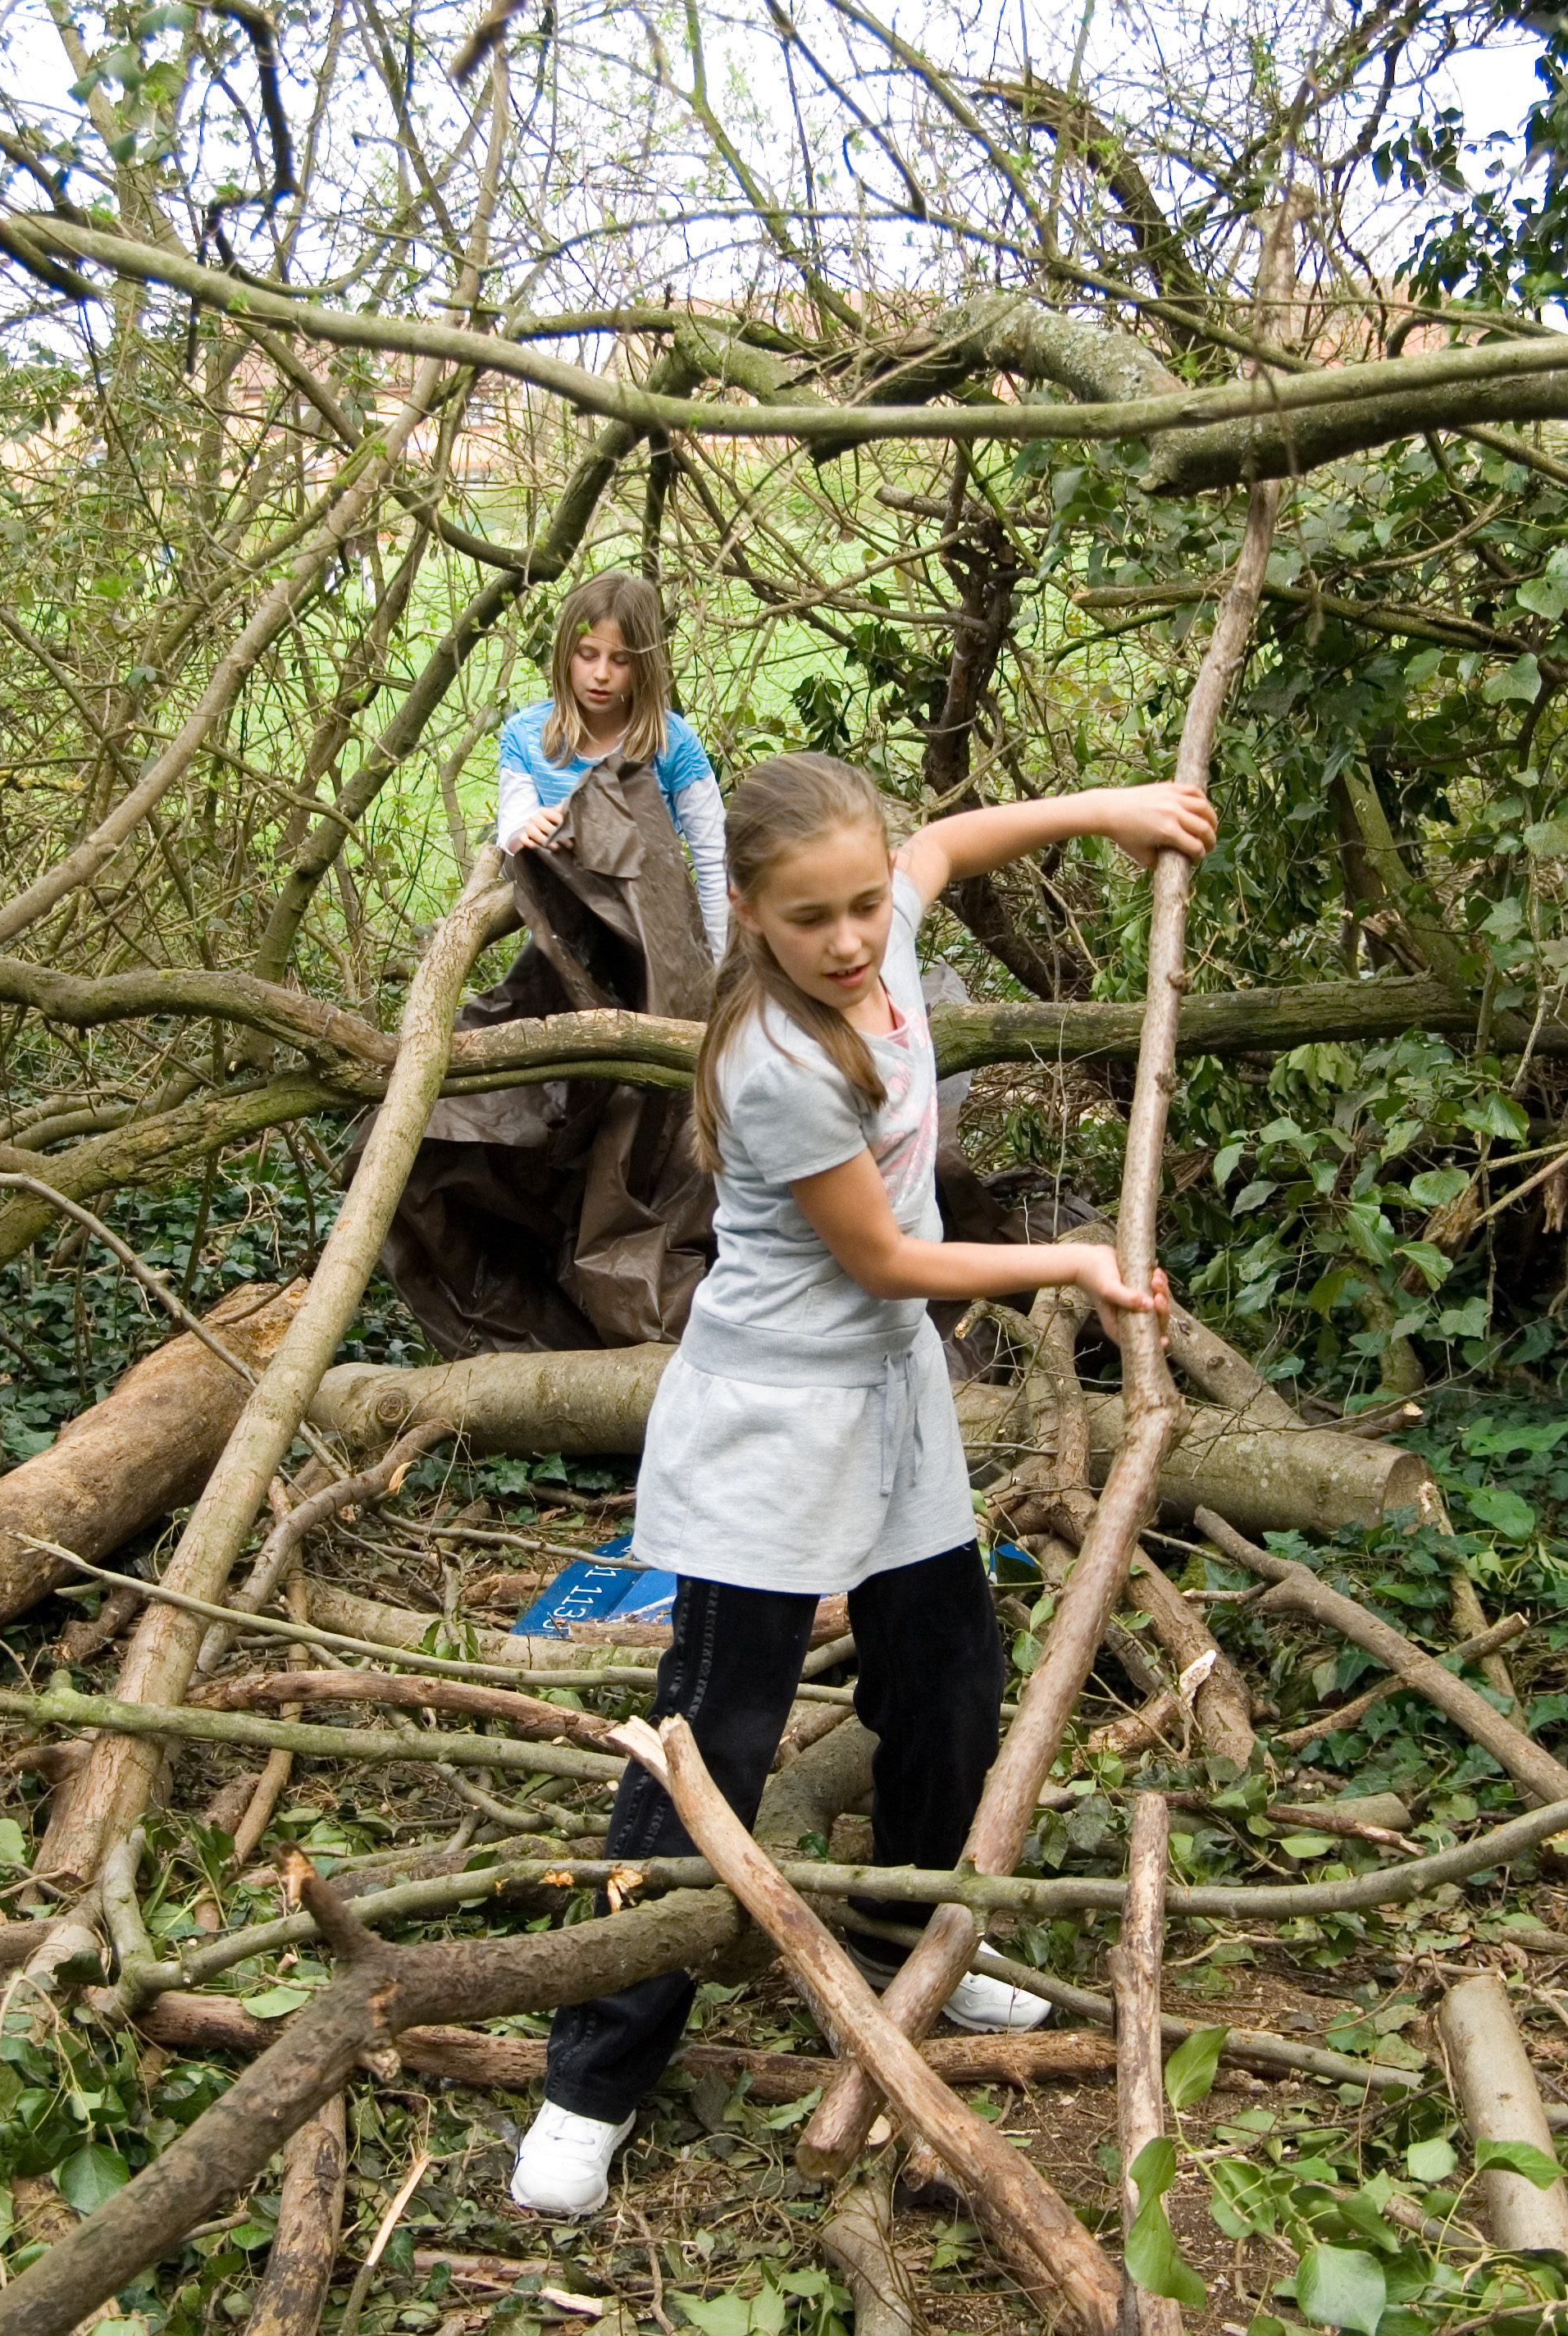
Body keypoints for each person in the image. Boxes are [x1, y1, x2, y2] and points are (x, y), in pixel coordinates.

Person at [506, 750, 1219, 2218]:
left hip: (891, 1394)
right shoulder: (773, 1061)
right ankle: (591, 2072)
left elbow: (950, 844)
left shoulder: (880, 914)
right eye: (808, 918)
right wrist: (1073, 1260)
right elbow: (891, 1257)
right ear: (752, 921)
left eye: (857, 906)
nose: (846, 938)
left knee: (948, 1673)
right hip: (776, 1411)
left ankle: (914, 1947)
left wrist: (1116, 806)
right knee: (715, 1734)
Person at [499, 571, 729, 950]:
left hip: (655, 960)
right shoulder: (524, 737)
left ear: (643, 665)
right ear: (565, 656)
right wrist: (525, 833)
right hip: (564, 957)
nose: (601, 674)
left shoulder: (673, 744)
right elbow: (512, 836)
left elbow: (715, 865)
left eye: (620, 660)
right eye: (587, 655)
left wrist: (722, 979)